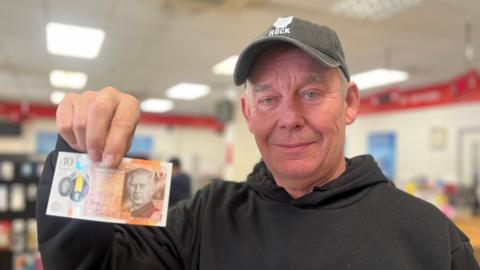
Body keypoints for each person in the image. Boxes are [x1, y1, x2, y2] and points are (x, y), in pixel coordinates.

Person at [36, 16, 480, 269]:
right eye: (268, 98)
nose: (288, 118)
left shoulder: (434, 241)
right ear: (248, 114)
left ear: (349, 103)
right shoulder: (203, 219)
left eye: (310, 93)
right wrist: (83, 154)